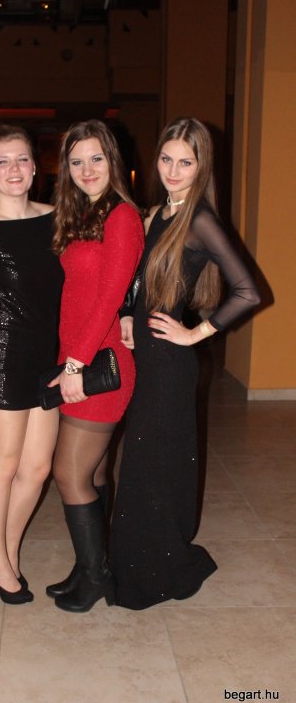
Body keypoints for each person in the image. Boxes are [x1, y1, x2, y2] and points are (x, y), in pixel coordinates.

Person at [110, 117, 261, 610]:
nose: (173, 171)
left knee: (153, 464)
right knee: (144, 462)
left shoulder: (199, 220)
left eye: (186, 162)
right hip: (146, 355)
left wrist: (195, 333)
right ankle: (140, 561)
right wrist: (128, 316)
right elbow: (138, 282)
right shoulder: (156, 213)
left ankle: (156, 569)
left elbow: (248, 291)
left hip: (170, 364)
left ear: (202, 167)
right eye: (166, 159)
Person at [45, 119, 144, 613]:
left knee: (68, 473)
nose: (87, 170)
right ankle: (92, 564)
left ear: (113, 161)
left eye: (96, 159)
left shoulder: (121, 216)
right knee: (94, 469)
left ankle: (95, 576)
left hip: (99, 365)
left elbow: (109, 297)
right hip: (82, 357)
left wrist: (75, 365)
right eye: (77, 161)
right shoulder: (84, 213)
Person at [0, 125, 63, 604]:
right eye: (2, 161)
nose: (13, 169)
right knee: (2, 466)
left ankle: (1, 548)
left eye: (22, 159)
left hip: (48, 356)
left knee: (38, 468)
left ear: (35, 166)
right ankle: (1, 562)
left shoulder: (56, 218)